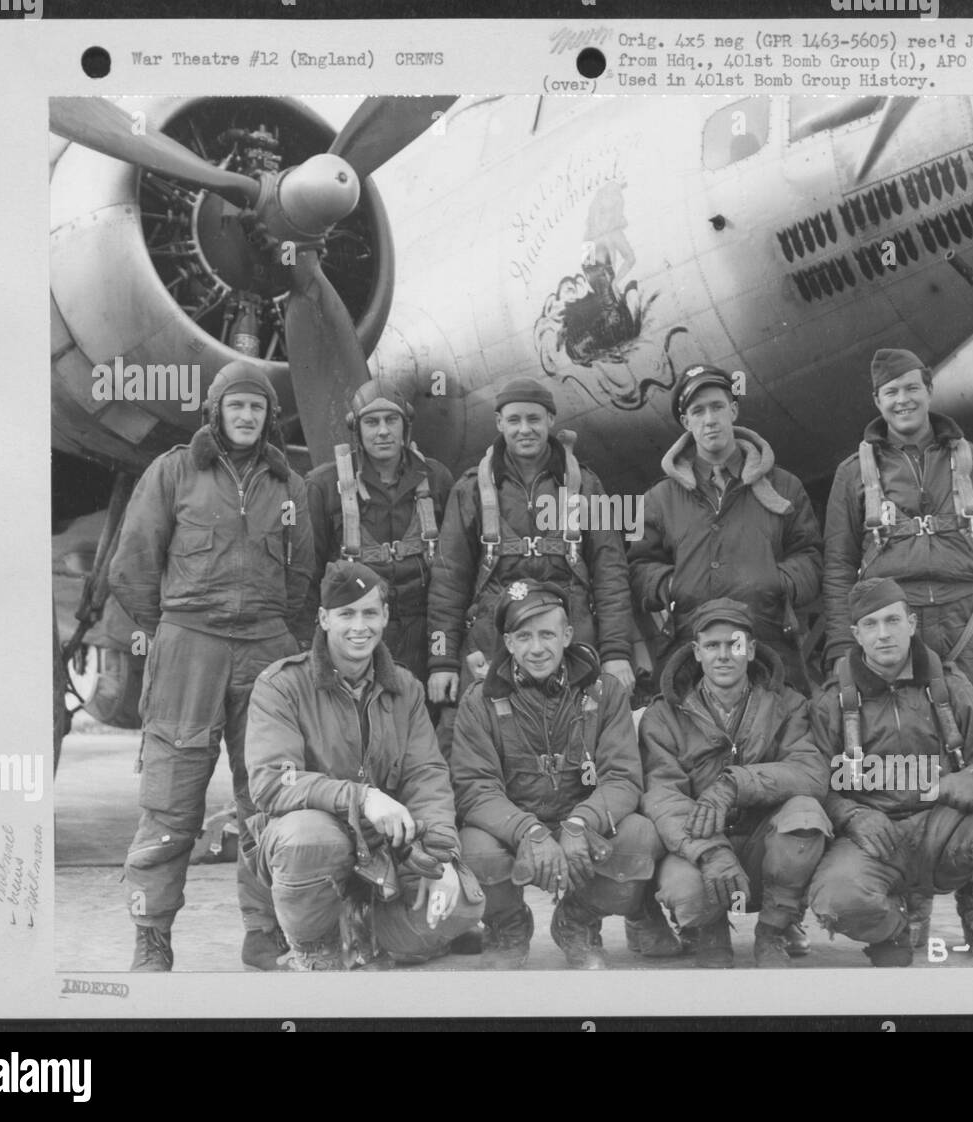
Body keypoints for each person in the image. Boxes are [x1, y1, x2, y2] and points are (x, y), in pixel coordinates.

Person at [109, 359, 315, 972]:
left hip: (267, 651)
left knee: (270, 794)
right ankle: (151, 934)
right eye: (236, 406)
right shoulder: (174, 471)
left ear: (268, 417)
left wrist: (282, 639)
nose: (247, 416)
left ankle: (265, 930)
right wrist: (172, 629)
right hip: (187, 649)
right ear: (216, 413)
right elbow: (132, 564)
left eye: (257, 407)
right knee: (172, 798)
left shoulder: (290, 485)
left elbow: (302, 575)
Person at [244, 561, 485, 970]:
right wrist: (361, 797)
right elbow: (272, 781)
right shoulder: (281, 685)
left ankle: (365, 930)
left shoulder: (405, 688)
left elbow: (426, 775)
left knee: (462, 905)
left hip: (384, 848)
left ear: (386, 617)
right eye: (346, 614)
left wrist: (440, 857)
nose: (360, 626)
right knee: (309, 839)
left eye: (370, 613)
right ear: (323, 619)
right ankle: (314, 945)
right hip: (317, 841)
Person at [807, 578, 973, 966]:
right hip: (873, 837)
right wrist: (852, 815)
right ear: (856, 635)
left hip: (944, 829)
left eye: (892, 621)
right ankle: (892, 930)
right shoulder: (831, 703)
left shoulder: (949, 686)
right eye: (870, 625)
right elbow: (812, 783)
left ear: (911, 624)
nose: (883, 634)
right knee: (835, 897)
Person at [449, 581, 668, 969]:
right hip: (514, 832)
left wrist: (582, 822)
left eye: (547, 634)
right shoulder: (479, 700)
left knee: (640, 839)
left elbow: (622, 777)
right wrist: (528, 831)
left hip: (583, 830)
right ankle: (507, 925)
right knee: (473, 849)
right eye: (524, 636)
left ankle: (577, 922)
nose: (537, 648)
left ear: (567, 635)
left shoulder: (606, 692)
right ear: (509, 642)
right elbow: (475, 789)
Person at [427, 377, 635, 750]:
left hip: (571, 638)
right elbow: (448, 580)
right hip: (493, 638)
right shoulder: (470, 489)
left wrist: (618, 653)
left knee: (581, 744)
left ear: (551, 419)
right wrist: (441, 659)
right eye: (515, 420)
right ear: (499, 424)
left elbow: (611, 572)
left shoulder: (588, 485)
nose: (525, 429)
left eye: (534, 419)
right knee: (467, 744)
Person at [822, 347, 973, 714]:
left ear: (929, 390)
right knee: (900, 743)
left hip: (969, 622)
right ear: (877, 400)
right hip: (893, 628)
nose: (903, 400)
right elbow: (838, 567)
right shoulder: (852, 473)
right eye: (891, 392)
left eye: (912, 388)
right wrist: (840, 647)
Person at [639, 597, 831, 968]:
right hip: (699, 849)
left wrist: (734, 784)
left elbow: (810, 772)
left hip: (764, 844)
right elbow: (663, 796)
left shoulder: (788, 704)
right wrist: (710, 851)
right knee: (685, 891)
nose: (723, 655)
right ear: (696, 652)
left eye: (735, 644)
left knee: (805, 815)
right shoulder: (662, 715)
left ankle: (775, 929)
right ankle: (708, 931)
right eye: (712, 646)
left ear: (752, 649)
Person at [628, 364, 824, 697]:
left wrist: (775, 582)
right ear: (686, 422)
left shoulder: (785, 486)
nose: (710, 419)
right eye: (697, 411)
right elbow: (637, 567)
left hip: (770, 644)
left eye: (718, 406)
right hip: (688, 652)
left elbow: (810, 556)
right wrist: (675, 586)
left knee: (787, 741)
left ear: (733, 410)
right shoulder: (657, 499)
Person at [305, 380, 453, 686]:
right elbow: (309, 576)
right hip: (356, 637)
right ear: (356, 429)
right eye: (371, 422)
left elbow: (453, 572)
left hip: (422, 636)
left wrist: (445, 657)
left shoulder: (437, 479)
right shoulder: (324, 486)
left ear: (405, 425)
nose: (383, 431)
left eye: (391, 420)